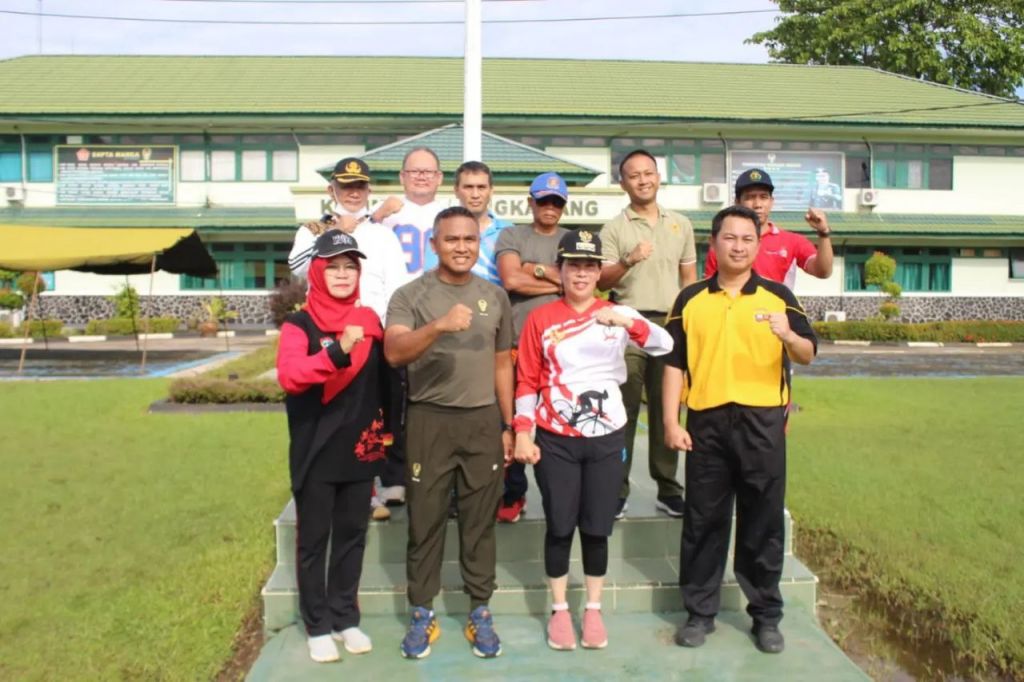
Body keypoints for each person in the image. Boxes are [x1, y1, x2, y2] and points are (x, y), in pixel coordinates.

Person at [662, 205, 817, 655]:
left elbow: (807, 353)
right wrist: (672, 421)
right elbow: (674, 364)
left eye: (747, 239)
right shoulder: (690, 299)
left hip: (761, 422)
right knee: (703, 520)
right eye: (729, 238)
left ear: (757, 244)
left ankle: (766, 616)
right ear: (714, 244)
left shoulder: (778, 296)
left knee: (763, 522)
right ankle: (699, 612)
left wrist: (788, 335)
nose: (738, 246)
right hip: (706, 422)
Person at [513, 229, 673, 651]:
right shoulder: (541, 319)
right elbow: (527, 379)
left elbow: (666, 344)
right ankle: (561, 610)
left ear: (600, 271)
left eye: (589, 266)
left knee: (597, 528)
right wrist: (523, 430)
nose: (581, 274)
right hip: (556, 438)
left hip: (606, 437)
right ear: (560, 271)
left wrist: (627, 323)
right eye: (573, 266)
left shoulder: (620, 314)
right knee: (561, 525)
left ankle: (594, 610)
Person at [384, 206, 514, 660]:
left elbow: (503, 363)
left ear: (480, 243)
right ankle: (422, 611)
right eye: (451, 239)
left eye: (469, 239)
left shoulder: (494, 297)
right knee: (425, 521)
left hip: (482, 423)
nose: (461, 247)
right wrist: (438, 325)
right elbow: (394, 352)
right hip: (429, 420)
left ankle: (480, 609)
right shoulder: (410, 295)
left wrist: (509, 421)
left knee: (480, 521)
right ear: (434, 244)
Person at [276, 230, 393, 663]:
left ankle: (346, 617)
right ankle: (318, 624)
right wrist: (338, 351)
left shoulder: (370, 321)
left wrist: (388, 442)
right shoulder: (298, 325)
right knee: (314, 542)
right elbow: (290, 376)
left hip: (360, 450)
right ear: (317, 272)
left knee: (352, 537)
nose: (343, 275)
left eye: (350, 267)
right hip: (316, 451)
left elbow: (383, 387)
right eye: (334, 267)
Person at [287, 157, 408, 520]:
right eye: (345, 186)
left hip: (373, 336)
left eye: (360, 186)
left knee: (373, 415)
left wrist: (388, 335)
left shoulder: (383, 234)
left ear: (368, 189)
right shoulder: (312, 230)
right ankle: (320, 486)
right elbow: (296, 273)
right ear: (332, 190)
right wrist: (336, 233)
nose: (353, 193)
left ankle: (373, 488)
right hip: (325, 336)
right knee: (327, 416)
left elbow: (397, 288)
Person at [597, 149, 697, 520]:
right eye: (634, 175)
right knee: (620, 411)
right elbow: (602, 280)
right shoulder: (613, 228)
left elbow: (689, 279)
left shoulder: (681, 224)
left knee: (666, 409)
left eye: (649, 173)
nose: (643, 180)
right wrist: (628, 260)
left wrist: (688, 321)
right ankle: (616, 491)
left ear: (658, 177)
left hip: (670, 325)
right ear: (622, 183)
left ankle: (668, 488)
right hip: (628, 325)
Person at [492, 171, 570, 523]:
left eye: (556, 202)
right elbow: (511, 279)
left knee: (558, 423)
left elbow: (582, 283)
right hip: (516, 341)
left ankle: (560, 495)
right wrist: (557, 279)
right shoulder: (512, 234)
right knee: (510, 421)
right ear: (531, 202)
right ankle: (513, 492)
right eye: (543, 200)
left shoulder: (574, 238)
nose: (550, 207)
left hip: (562, 346)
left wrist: (533, 270)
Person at [705, 168, 834, 289]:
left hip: (776, 312)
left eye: (763, 197)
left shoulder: (793, 241)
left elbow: (823, 272)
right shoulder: (723, 245)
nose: (757, 205)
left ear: (771, 202)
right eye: (750, 197)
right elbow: (711, 291)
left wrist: (823, 233)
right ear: (737, 202)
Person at [382, 146, 448, 277]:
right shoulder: (383, 212)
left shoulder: (450, 216)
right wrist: (377, 217)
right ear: (402, 176)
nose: (421, 177)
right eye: (415, 171)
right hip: (395, 293)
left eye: (428, 172)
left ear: (439, 177)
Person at [453, 160, 514, 286]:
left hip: (498, 304)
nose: (475, 195)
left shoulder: (509, 231)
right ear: (456, 190)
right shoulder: (441, 230)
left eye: (481, 187)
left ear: (491, 190)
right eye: (468, 187)